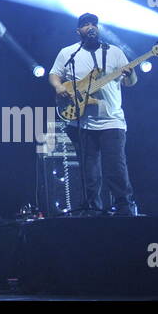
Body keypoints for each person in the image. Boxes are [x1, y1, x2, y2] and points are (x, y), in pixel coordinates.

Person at [47, 13, 138, 216]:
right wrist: (59, 87)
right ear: (78, 31)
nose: (91, 27)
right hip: (82, 122)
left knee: (116, 167)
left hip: (112, 121)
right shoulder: (68, 53)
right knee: (89, 172)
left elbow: (130, 83)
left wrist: (130, 73)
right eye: (85, 24)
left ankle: (125, 208)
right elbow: (54, 74)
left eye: (94, 23)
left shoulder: (115, 52)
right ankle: (92, 211)